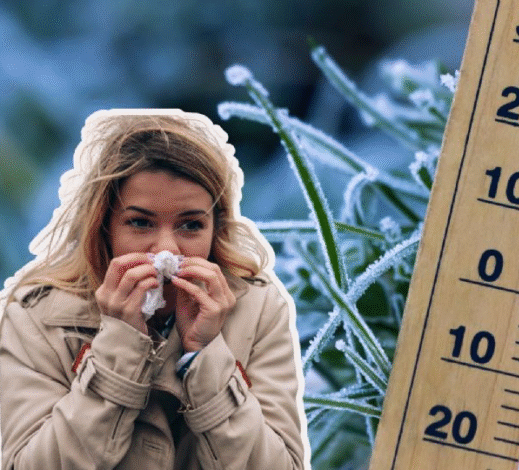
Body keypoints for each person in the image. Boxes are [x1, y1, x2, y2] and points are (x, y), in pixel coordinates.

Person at [0, 109, 309, 470]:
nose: (167, 250)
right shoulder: (37, 318)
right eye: (141, 223)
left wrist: (207, 356)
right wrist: (120, 344)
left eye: (190, 225)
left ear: (216, 229)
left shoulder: (257, 310)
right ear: (104, 227)